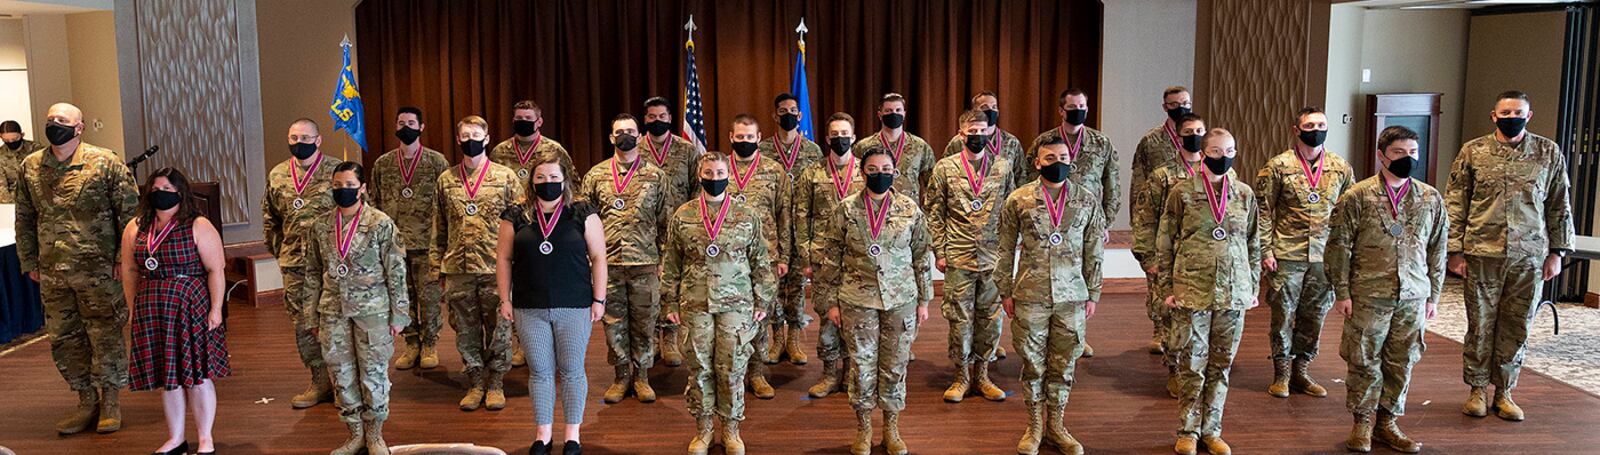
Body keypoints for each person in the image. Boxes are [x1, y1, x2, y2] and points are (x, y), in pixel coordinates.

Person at [1445, 90, 1574, 421]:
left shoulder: (1548, 153)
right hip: (1481, 254)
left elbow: (1559, 206)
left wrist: (1557, 252)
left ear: (1529, 116)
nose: (1511, 117)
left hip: (1529, 257)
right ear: (1494, 115)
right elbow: (1456, 201)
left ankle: (1504, 392)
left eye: (1518, 112)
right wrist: (1454, 250)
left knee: (1517, 325)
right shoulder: (1473, 152)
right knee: (1481, 324)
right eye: (1505, 112)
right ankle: (1476, 389)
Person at [17, 102, 140, 434]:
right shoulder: (30, 166)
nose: (55, 124)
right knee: (64, 338)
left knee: (105, 334)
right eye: (50, 119)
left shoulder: (105, 163)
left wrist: (122, 261)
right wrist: (29, 260)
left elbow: (129, 215)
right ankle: (86, 401)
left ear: (80, 127)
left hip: (99, 271)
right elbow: (25, 217)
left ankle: (111, 403)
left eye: (62, 120)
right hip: (52, 271)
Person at [1327, 126, 1447, 453]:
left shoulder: (1429, 198)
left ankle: (1388, 421)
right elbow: (1339, 247)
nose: (1407, 159)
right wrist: (1342, 292)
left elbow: (1438, 250)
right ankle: (1362, 422)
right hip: (1368, 293)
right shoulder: (1358, 196)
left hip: (1412, 295)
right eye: (1398, 153)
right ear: (1381, 156)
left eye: (1412, 153)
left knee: (1402, 360)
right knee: (1364, 359)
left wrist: (1434, 295)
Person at [817, 146, 933, 455]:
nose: (879, 174)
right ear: (862, 172)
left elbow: (922, 256)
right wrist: (830, 302)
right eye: (872, 169)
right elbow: (831, 258)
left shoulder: (910, 209)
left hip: (901, 299)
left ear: (894, 173)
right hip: (858, 299)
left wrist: (924, 300)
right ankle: (864, 428)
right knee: (862, 365)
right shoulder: (845, 209)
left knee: (894, 364)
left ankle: (891, 428)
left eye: (885, 169)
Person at [995, 136, 1106, 455]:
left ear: (1070, 160)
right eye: (1050, 157)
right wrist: (1005, 289)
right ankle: (1034, 426)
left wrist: (1093, 292)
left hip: (1072, 296)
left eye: (1062, 156)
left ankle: (1057, 425)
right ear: (1037, 163)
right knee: (1032, 362)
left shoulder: (1086, 199)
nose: (1057, 161)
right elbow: (1004, 248)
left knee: (1064, 363)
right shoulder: (1019, 199)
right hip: (1030, 294)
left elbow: (1094, 249)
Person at [662, 152, 776, 455]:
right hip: (695, 303)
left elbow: (761, 261)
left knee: (732, 368)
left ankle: (731, 430)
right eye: (709, 173)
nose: (714, 179)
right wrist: (669, 301)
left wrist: (762, 298)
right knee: (699, 368)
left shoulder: (746, 215)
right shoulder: (683, 215)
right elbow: (671, 262)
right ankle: (703, 430)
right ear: (700, 176)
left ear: (728, 174)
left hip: (736, 304)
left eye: (719, 173)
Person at [1155, 128, 1260, 455]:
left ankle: (1212, 430)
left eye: (1229, 150)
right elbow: (1165, 242)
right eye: (1216, 151)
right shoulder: (1182, 193)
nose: (1223, 157)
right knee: (1192, 365)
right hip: (1192, 292)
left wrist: (1252, 284)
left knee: (1220, 365)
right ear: (1204, 153)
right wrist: (1167, 288)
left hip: (1233, 294)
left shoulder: (1244, 194)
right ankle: (1187, 430)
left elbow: (1254, 242)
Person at [498, 152, 607, 455]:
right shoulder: (516, 215)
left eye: (554, 178)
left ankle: (573, 435)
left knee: (572, 370)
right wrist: (504, 298)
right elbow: (504, 260)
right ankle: (543, 434)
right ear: (532, 181)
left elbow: (598, 257)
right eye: (541, 178)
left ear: (565, 180)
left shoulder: (582, 212)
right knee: (540, 371)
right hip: (528, 306)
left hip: (574, 305)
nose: (548, 183)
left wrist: (599, 298)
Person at [119, 168, 229, 455]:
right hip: (152, 306)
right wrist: (133, 308)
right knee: (167, 377)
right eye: (155, 188)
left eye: (167, 188)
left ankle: (205, 438)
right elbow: (130, 270)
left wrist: (216, 309)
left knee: (197, 374)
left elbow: (216, 269)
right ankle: (176, 437)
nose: (160, 193)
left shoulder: (198, 224)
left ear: (180, 192)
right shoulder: (136, 226)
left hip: (190, 305)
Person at [305, 162, 410, 455]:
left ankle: (375, 434)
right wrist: (310, 314)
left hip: (373, 311)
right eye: (337, 186)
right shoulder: (321, 225)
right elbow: (313, 272)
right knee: (341, 373)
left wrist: (400, 314)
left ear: (362, 188)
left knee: (374, 372)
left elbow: (396, 270)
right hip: (333, 311)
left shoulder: (380, 224)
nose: (343, 191)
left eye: (350, 185)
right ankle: (354, 434)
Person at [1255, 106, 1355, 399]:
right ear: (1296, 130)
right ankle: (1282, 373)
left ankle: (1302, 370)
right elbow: (1262, 210)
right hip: (1287, 254)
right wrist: (1266, 249)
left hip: (1325, 257)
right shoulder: (1277, 166)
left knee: (1315, 316)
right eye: (1309, 125)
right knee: (1283, 315)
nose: (1316, 129)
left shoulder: (1340, 167)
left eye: (1321, 124)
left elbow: (1349, 213)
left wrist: (1346, 256)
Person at [434, 115, 525, 412]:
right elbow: (440, 227)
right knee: (465, 329)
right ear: (458, 139)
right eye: (465, 135)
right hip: (459, 269)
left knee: (499, 328)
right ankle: (475, 381)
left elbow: (521, 224)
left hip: (495, 268)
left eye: (476, 134)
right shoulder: (446, 179)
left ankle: (496, 381)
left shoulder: (505, 177)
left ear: (487, 139)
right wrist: (437, 266)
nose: (470, 139)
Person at [579, 114, 670, 404]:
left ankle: (642, 376)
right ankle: (621, 376)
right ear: (611, 138)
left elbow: (665, 222)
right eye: (620, 132)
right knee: (613, 322)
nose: (625, 136)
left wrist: (663, 261)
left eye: (631, 131)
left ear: (640, 136)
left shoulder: (656, 176)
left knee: (645, 322)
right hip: (608, 265)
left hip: (645, 262)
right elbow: (584, 221)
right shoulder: (595, 175)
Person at [927, 109, 1016, 403]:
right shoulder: (944, 168)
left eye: (982, 130)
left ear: (990, 131)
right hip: (958, 256)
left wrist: (1010, 251)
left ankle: (983, 374)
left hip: (993, 257)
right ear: (961, 134)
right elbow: (935, 212)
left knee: (991, 319)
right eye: (971, 132)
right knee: (959, 319)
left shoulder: (1003, 167)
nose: (977, 136)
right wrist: (939, 250)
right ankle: (961, 376)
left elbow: (1012, 210)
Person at [1026, 88, 1120, 358]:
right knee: (1052, 275)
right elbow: (1026, 178)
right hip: (1049, 221)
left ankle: (1078, 332)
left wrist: (1104, 222)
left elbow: (1111, 184)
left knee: (1084, 274)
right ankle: (1045, 332)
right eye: (1072, 106)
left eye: (1082, 105)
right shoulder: (1045, 140)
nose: (1077, 109)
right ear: (1061, 110)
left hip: (1086, 221)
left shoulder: (1101, 143)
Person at [1133, 114, 1217, 398]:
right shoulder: (1162, 176)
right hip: (1172, 260)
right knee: (1173, 321)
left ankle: (1200, 372)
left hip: (1207, 262)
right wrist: (1149, 259)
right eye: (1189, 132)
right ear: (1179, 138)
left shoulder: (1220, 176)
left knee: (1205, 320)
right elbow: (1145, 219)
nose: (1195, 135)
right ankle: (1174, 370)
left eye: (1200, 131)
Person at [262, 117, 343, 409]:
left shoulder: (337, 171)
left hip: (332, 264)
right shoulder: (278, 174)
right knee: (304, 325)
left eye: (306, 138)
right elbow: (270, 219)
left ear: (319, 140)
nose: (300, 143)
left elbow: (358, 214)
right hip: (295, 265)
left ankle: (344, 384)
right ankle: (319, 381)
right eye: (294, 138)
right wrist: (284, 253)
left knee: (335, 321)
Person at [490, 100, 575, 369]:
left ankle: (555, 346)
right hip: (515, 226)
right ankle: (522, 343)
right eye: (518, 117)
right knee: (520, 284)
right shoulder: (500, 151)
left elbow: (571, 186)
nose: (522, 121)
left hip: (551, 227)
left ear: (539, 121)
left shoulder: (554, 150)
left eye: (528, 117)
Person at [791, 112, 865, 398]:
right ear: (827, 139)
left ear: (854, 137)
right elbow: (802, 216)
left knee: (855, 316)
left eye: (845, 133)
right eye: (835, 134)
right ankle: (829, 374)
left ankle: (851, 373)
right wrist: (807, 257)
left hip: (857, 259)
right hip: (824, 259)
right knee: (827, 314)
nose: (840, 139)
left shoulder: (865, 172)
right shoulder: (812, 173)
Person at [371, 107, 449, 371]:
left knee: (428, 299)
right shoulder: (383, 164)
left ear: (421, 127)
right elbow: (374, 203)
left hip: (427, 244)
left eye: (412, 122)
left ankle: (429, 345)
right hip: (394, 245)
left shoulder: (436, 162)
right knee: (400, 297)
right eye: (401, 122)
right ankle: (411, 343)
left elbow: (446, 204)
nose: (406, 126)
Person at [723, 114, 791, 399]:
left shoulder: (774, 171)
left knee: (760, 315)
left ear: (759, 138)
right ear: (731, 137)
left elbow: (784, 215)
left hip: (765, 256)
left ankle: (758, 373)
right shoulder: (718, 168)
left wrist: (784, 255)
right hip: (728, 259)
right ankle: (734, 374)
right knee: (731, 318)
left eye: (750, 137)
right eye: (740, 137)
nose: (745, 142)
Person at [759, 93, 823, 366]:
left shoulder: (813, 151)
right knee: (773, 287)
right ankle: (777, 340)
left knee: (797, 286)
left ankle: (794, 339)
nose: (788, 114)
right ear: (775, 116)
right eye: (782, 110)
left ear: (800, 116)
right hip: (771, 230)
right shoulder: (762, 150)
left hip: (801, 228)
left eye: (793, 111)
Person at [1131, 86, 1194, 354]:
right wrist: (1138, 226)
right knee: (1158, 282)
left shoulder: (1199, 137)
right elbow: (1138, 182)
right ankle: (1159, 329)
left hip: (1191, 227)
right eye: (1175, 103)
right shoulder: (1151, 141)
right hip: (1158, 224)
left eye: (1186, 102)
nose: (1181, 107)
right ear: (1165, 106)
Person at [640, 95, 701, 368]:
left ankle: (670, 338)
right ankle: (652, 337)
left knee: (673, 282)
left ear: (670, 118)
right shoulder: (635, 149)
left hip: (679, 228)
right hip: (645, 230)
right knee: (650, 286)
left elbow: (697, 187)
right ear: (645, 119)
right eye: (651, 117)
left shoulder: (686, 150)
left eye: (662, 116)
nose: (657, 121)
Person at [850, 93, 936, 203]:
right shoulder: (864, 146)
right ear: (880, 114)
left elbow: (933, 183)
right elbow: (854, 179)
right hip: (872, 211)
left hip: (908, 214)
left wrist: (926, 211)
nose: (893, 114)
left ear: (904, 114)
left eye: (898, 110)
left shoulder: (919, 146)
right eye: (888, 111)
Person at [943, 90, 1028, 189]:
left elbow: (1021, 177)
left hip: (1002, 198)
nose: (990, 110)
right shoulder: (959, 141)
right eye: (984, 107)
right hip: (966, 196)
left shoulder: (1011, 141)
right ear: (975, 110)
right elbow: (946, 170)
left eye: (994, 107)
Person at [0, 119, 46, 204]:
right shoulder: (1, 155)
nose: (11, 142)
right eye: (6, 140)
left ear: (22, 135)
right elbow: (2, 190)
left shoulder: (36, 150)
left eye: (14, 139)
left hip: (39, 198)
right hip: (15, 201)